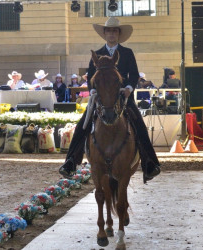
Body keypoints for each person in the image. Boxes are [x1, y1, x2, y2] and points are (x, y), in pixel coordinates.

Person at [59, 17, 160, 183]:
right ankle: (70, 161)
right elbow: (91, 75)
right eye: (109, 31)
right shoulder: (97, 54)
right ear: (104, 33)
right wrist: (92, 90)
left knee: (139, 125)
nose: (112, 34)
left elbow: (133, 74)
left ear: (118, 34)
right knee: (82, 124)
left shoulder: (127, 53)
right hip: (101, 98)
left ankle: (150, 162)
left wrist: (128, 89)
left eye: (115, 31)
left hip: (122, 96)